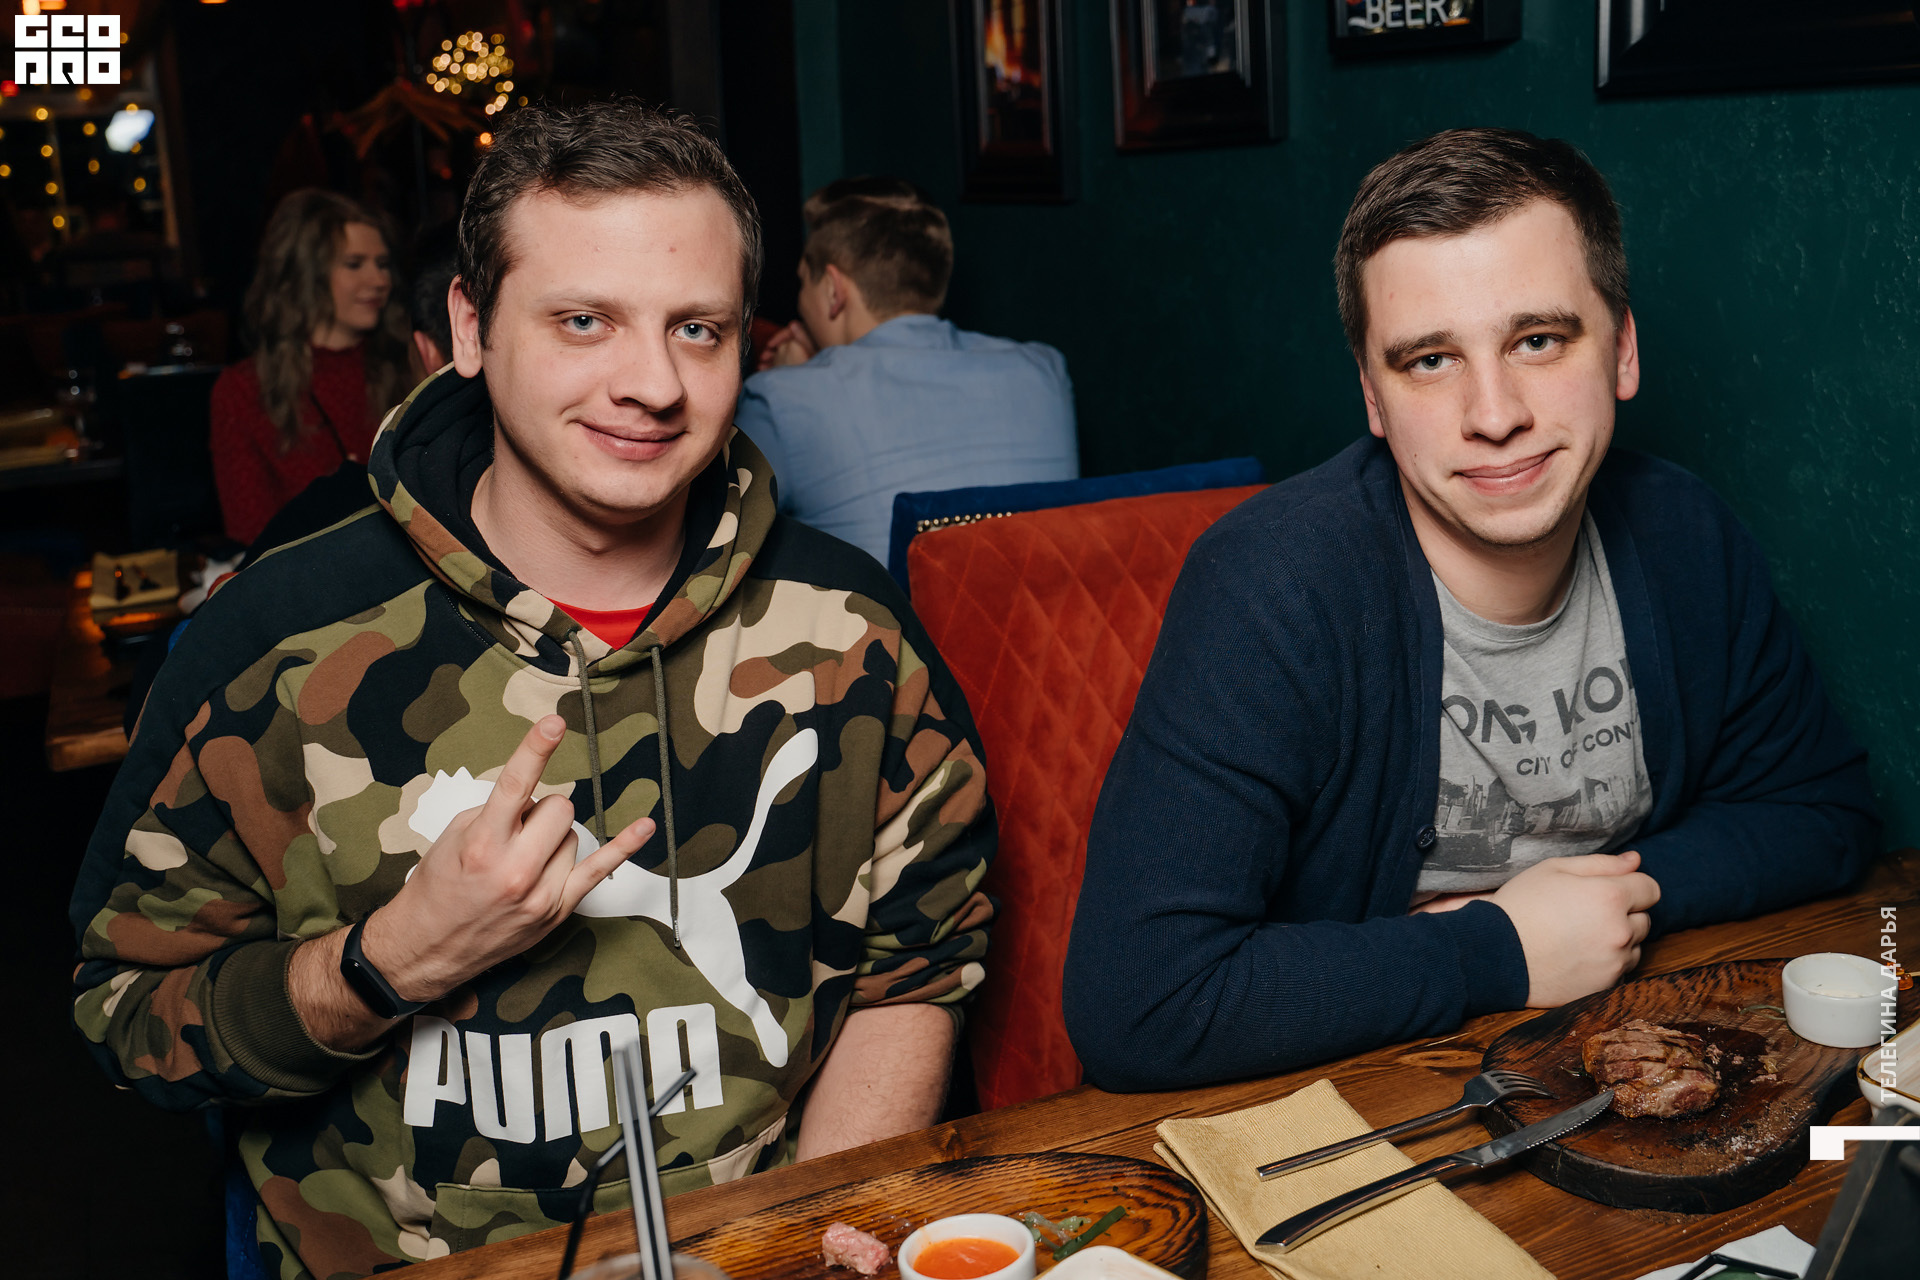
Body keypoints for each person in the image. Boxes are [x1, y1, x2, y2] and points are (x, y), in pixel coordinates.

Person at [71, 100, 995, 1277]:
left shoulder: (853, 629)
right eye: (583, 320)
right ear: (471, 327)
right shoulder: (273, 639)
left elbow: (920, 958)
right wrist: (385, 963)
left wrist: (807, 1242)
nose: (652, 383)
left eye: (697, 328)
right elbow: (125, 1012)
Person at [1063, 128, 1879, 1090]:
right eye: (1429, 360)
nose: (1495, 415)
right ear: (1373, 398)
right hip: (1349, 1093)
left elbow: (1822, 814)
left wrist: (1612, 905)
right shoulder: (1270, 588)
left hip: (1614, 1055)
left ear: (1622, 351)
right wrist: (1499, 949)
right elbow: (1138, 1004)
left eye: (1538, 341)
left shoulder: (1684, 533)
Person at [734, 177, 1077, 565]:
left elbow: (717, 539)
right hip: (1041, 602)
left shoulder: (781, 399)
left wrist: (791, 381)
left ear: (833, 290)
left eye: (802, 282)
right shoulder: (1044, 372)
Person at [209, 188, 411, 545]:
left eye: (382, 264)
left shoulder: (409, 366)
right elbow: (251, 538)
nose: (380, 280)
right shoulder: (245, 390)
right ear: (305, 274)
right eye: (354, 264)